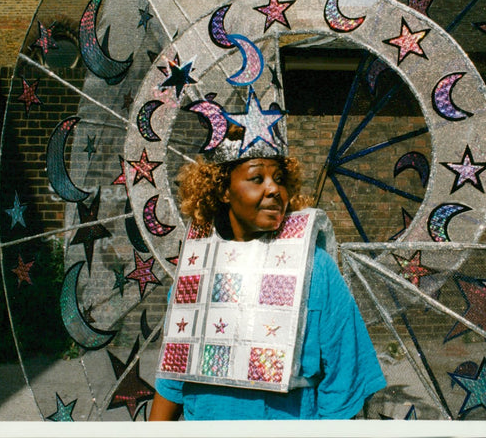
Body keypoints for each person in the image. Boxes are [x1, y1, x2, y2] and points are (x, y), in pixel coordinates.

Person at [149, 141, 386, 420]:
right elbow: (173, 379)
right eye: (257, 178)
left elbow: (343, 383)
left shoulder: (316, 268)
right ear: (223, 190)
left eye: (280, 178)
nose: (274, 189)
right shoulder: (197, 267)